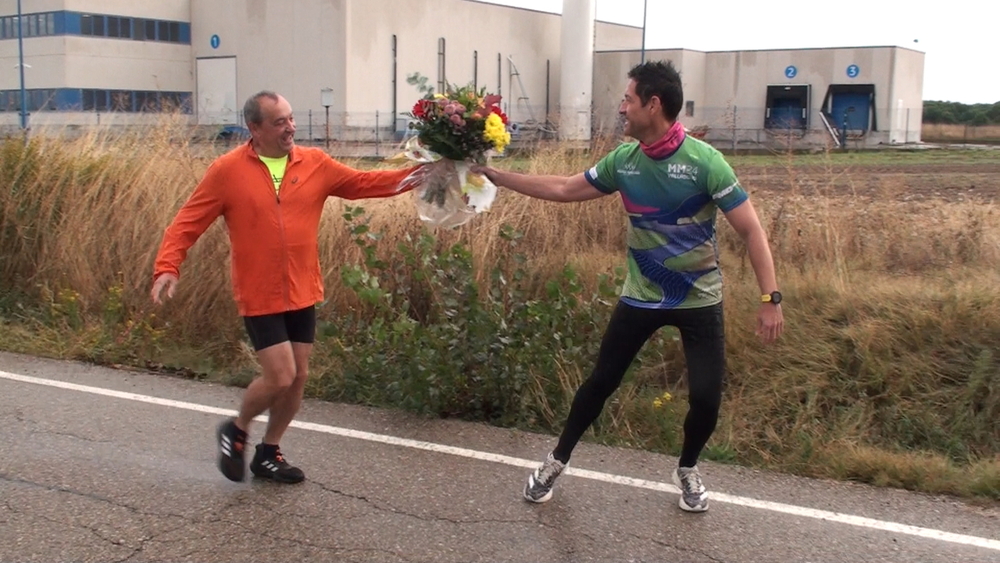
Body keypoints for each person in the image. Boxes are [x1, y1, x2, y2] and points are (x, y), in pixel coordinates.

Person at [474, 61, 783, 512]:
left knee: (705, 398)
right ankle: (555, 462)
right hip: (641, 295)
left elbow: (752, 231)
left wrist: (770, 298)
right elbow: (564, 187)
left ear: (652, 105)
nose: (621, 108)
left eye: (628, 99)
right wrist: (500, 177)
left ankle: (688, 468)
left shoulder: (705, 163)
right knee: (601, 383)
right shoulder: (625, 161)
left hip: (699, 299)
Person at [151, 91, 418, 484]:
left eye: (291, 119)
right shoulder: (227, 171)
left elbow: (366, 183)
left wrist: (422, 176)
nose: (290, 127)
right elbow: (188, 220)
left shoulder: (315, 164)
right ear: (254, 128)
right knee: (280, 376)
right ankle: (238, 428)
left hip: (303, 288)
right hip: (259, 291)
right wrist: (168, 266)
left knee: (299, 376)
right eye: (279, 122)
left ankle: (269, 451)